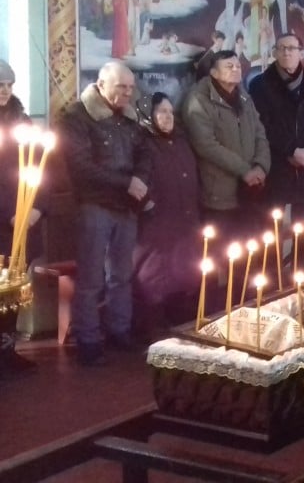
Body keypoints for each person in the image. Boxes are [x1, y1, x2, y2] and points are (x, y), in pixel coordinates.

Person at [59, 62, 152, 365]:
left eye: (131, 88)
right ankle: (87, 340)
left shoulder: (130, 116)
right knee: (91, 278)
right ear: (101, 85)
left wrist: (140, 178)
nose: (128, 93)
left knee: (122, 275)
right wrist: (127, 183)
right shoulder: (76, 117)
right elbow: (81, 167)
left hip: (126, 206)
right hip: (94, 205)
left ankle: (118, 330)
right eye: (121, 87)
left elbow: (145, 152)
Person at [181, 50, 270, 246]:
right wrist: (245, 170)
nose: (236, 70)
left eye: (238, 66)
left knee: (249, 250)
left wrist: (261, 166)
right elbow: (206, 145)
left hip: (250, 190)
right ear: (214, 73)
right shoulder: (198, 100)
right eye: (229, 66)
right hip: (219, 194)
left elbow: (260, 133)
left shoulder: (243, 95)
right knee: (219, 253)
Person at [132, 93, 201, 342]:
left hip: (184, 220)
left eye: (170, 112)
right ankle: (152, 332)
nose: (168, 117)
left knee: (183, 272)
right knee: (154, 276)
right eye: (161, 112)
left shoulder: (180, 141)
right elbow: (136, 178)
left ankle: (180, 326)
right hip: (156, 224)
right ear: (148, 115)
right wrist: (147, 204)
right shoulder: (142, 143)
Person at [250, 34, 304, 221]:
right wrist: (291, 150)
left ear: (301, 53)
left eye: (291, 48)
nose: (286, 52)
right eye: (281, 48)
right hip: (277, 164)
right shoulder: (260, 85)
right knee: (271, 226)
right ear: (274, 53)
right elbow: (261, 124)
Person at [0, 60, 44, 376]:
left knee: (14, 291)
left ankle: (7, 350)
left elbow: (42, 166)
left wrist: (37, 208)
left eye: (9, 85)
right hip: (4, 220)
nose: (5, 91)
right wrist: (10, 212)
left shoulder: (23, 122)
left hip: (25, 219)